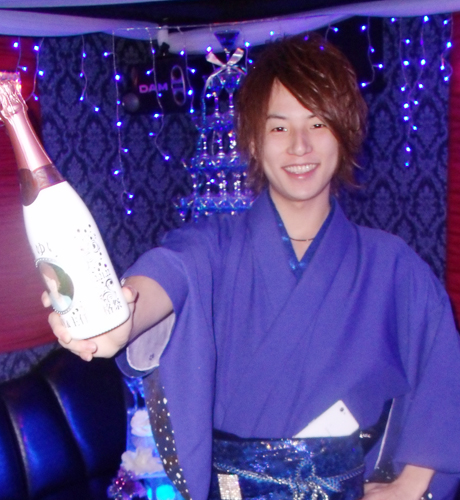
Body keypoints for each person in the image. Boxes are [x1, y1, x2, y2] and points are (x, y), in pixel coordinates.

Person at [46, 33, 460, 500]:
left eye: (318, 123)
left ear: (344, 133)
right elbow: (169, 272)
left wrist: (411, 484)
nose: (300, 146)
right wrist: (118, 318)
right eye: (279, 128)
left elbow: (443, 370)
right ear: (253, 140)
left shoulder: (392, 266)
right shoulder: (212, 248)